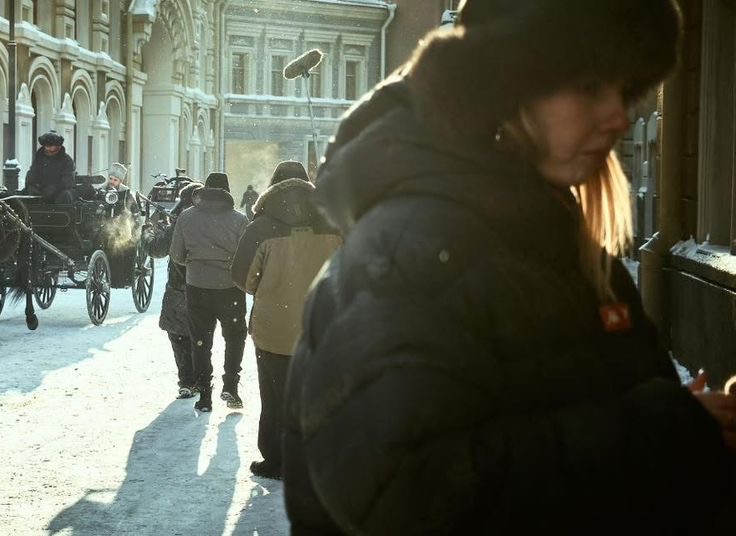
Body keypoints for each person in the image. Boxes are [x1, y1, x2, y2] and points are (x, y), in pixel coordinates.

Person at [283, 0, 736, 533]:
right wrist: (663, 432)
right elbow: (407, 491)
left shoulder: (563, 245)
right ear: (509, 87)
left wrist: (693, 428)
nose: (620, 115)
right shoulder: (415, 248)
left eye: (625, 89)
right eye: (591, 86)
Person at [230, 160, 340, 481]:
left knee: (275, 396)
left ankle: (276, 461)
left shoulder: (262, 226)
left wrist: (270, 283)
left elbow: (242, 277)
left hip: (272, 330)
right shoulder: (333, 220)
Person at [169, 172, 249, 412]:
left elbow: (176, 255)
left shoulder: (186, 217)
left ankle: (205, 395)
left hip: (197, 287)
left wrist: (197, 264)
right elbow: (246, 257)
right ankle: (231, 386)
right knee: (234, 337)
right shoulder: (239, 220)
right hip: (230, 288)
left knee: (201, 341)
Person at [146, 181, 203, 399]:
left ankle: (187, 380)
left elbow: (156, 249)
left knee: (179, 336)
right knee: (200, 336)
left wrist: (149, 233)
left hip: (180, 288)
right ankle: (202, 379)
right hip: (208, 287)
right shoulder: (213, 220)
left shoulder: (181, 222)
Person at [24, 130, 76, 204]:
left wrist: (54, 188)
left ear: (58, 147)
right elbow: (32, 173)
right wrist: (31, 185)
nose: (48, 149)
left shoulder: (67, 160)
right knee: (21, 197)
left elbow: (67, 180)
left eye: (51, 146)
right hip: (40, 191)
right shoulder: (39, 158)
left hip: (58, 192)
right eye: (47, 146)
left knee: (66, 195)